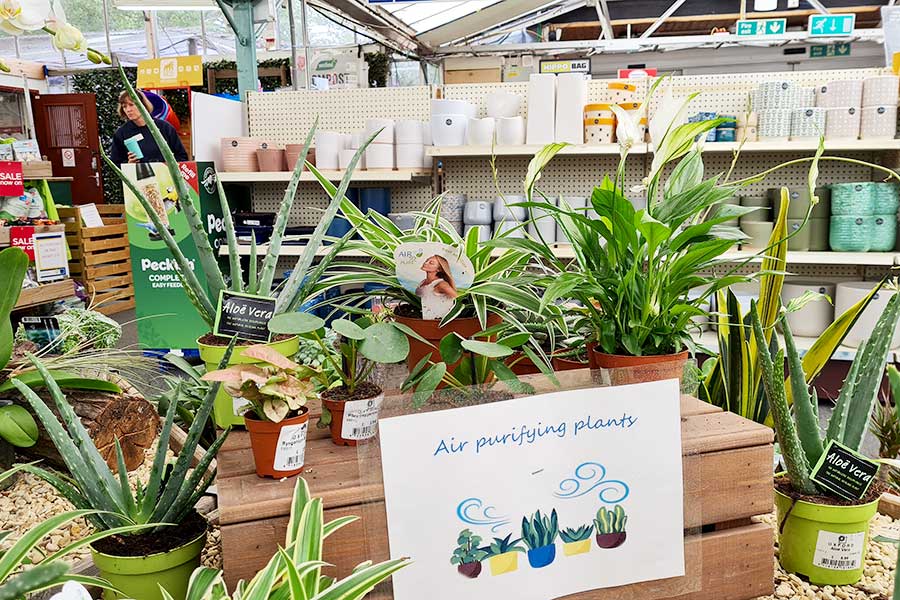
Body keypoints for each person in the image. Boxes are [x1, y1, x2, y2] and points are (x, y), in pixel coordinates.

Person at [109, 90, 187, 165]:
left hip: (165, 177)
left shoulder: (165, 128)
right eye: (124, 107)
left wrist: (168, 165)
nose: (128, 110)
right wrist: (129, 165)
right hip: (138, 177)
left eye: (132, 105)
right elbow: (116, 163)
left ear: (142, 104)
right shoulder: (121, 133)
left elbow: (182, 157)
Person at [416, 255, 458, 320]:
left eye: (431, 263)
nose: (425, 263)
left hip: (437, 320)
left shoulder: (441, 284)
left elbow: (456, 297)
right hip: (425, 318)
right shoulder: (423, 282)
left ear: (438, 269)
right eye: (427, 260)